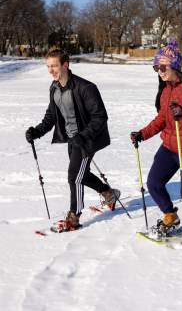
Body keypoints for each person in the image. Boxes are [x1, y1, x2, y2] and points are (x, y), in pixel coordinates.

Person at [25, 49, 120, 231]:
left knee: (74, 177)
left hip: (88, 140)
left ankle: (74, 216)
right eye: (48, 66)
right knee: (80, 174)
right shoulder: (54, 88)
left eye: (54, 66)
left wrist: (83, 136)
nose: (50, 70)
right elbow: (51, 116)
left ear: (65, 65)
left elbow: (100, 117)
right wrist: (37, 131)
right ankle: (109, 193)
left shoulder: (85, 87)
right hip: (72, 140)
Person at [130, 40, 182, 245]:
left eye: (163, 67)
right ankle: (170, 215)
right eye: (156, 67)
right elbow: (162, 119)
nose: (160, 71)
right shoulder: (166, 91)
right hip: (169, 146)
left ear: (175, 66)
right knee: (154, 183)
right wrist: (142, 134)